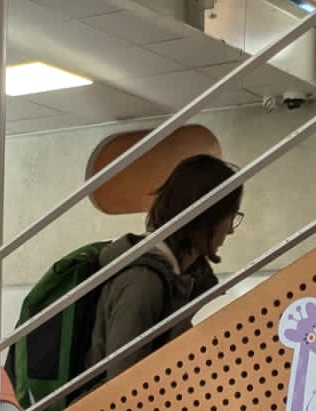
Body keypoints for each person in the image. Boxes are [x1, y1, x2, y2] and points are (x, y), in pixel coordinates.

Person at [86, 154, 242, 379]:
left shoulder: (184, 278)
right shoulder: (143, 283)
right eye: (231, 216)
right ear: (209, 217)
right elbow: (124, 384)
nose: (231, 230)